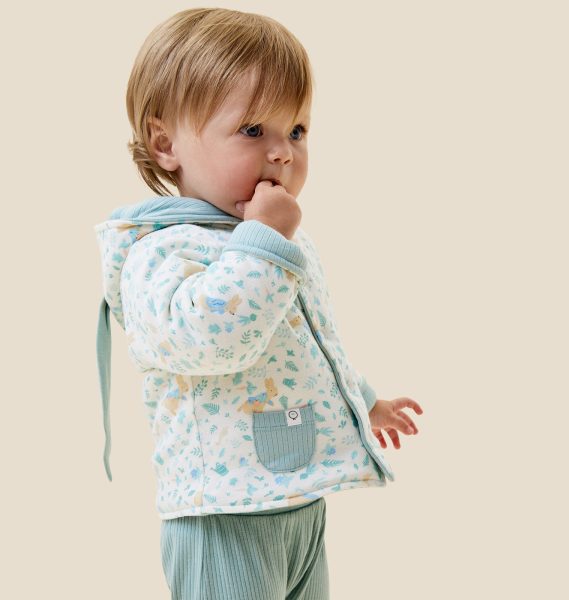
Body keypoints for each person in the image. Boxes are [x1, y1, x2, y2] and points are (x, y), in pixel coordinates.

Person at [94, 7, 423, 599]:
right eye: (253, 131)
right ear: (165, 143)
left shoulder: (267, 240)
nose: (283, 153)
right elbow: (213, 340)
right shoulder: (160, 251)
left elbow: (302, 343)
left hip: (295, 495)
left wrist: (363, 398)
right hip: (221, 516)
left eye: (296, 130)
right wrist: (265, 241)